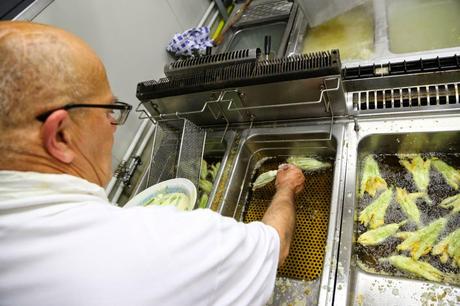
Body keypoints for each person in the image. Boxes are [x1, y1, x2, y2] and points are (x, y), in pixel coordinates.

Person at [0, 21, 305, 306]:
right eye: (110, 111)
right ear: (61, 135)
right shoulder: (155, 248)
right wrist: (286, 188)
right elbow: (275, 246)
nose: (114, 124)